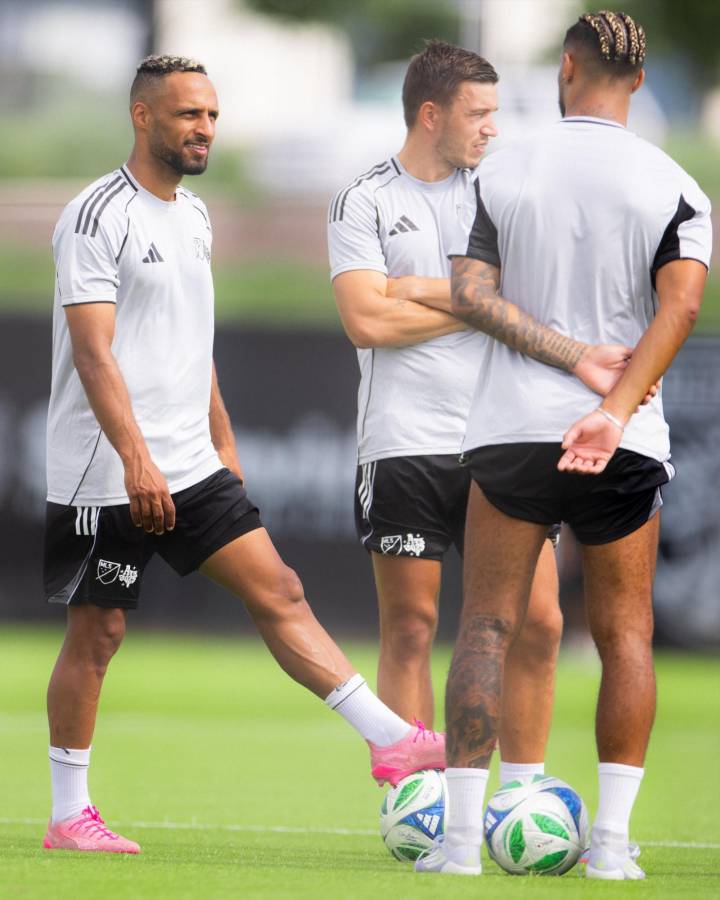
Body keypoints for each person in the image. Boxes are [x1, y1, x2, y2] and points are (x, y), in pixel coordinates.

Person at [42, 55, 444, 856]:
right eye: (189, 114)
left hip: (191, 460)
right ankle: (68, 815)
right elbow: (95, 355)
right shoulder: (95, 216)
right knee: (101, 633)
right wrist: (136, 460)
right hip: (105, 467)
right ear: (143, 117)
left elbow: (191, 344)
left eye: (213, 116)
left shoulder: (195, 216)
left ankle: (390, 738)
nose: (205, 130)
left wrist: (220, 439)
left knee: (281, 590)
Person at [413, 11, 712, 879]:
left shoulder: (503, 167)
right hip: (621, 439)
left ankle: (462, 844)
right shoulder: (677, 183)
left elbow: (470, 293)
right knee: (626, 637)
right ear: (642, 81)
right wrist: (613, 407)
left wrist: (567, 362)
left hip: (511, 431)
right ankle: (612, 849)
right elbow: (681, 308)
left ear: (567, 66)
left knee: (486, 626)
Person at [328, 40, 643, 789]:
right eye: (479, 113)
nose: (492, 128)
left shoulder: (499, 191)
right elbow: (367, 321)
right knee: (411, 627)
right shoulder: (364, 196)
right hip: (402, 437)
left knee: (539, 624)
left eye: (496, 113)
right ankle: (416, 801)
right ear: (431, 114)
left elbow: (531, 303)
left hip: (499, 438)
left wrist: (418, 291)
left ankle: (520, 791)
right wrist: (476, 305)